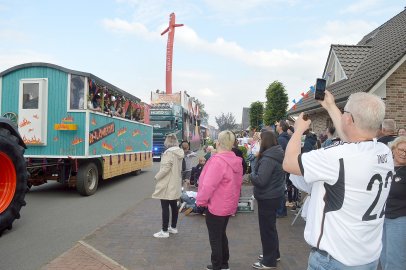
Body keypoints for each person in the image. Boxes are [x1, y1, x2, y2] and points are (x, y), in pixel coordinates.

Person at [283, 90, 394, 269]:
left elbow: (289, 163)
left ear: (349, 119)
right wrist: (330, 106)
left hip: (334, 260)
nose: (342, 116)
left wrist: (297, 132)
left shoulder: (336, 157)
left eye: (345, 113)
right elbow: (354, 140)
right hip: (366, 257)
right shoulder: (384, 152)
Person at [196, 130, 243, 270]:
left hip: (216, 205)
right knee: (221, 234)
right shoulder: (236, 160)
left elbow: (208, 185)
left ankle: (217, 265)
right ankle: (223, 263)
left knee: (215, 237)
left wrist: (200, 202)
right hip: (228, 204)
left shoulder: (217, 161)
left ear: (218, 143)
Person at [250, 131, 285, 269]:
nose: (258, 142)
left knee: (267, 230)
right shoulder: (275, 154)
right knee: (271, 228)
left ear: (264, 142)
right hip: (273, 195)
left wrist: (252, 173)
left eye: (260, 140)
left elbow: (261, 180)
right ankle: (273, 254)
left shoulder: (268, 158)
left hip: (268, 197)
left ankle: (269, 261)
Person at [380, 136, 406, 269]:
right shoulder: (385, 167)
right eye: (401, 150)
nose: (403, 153)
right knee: (383, 256)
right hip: (381, 219)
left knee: (395, 259)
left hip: (399, 220)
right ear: (393, 149)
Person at [152, 134, 184, 238]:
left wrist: (157, 177)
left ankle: (164, 231)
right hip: (175, 182)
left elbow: (165, 168)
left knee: (165, 207)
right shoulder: (179, 152)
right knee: (174, 206)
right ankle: (173, 227)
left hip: (167, 183)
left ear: (167, 142)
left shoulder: (168, 153)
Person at [275, 120, 291, 218]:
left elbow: (280, 154)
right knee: (282, 188)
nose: (276, 126)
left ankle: (280, 211)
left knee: (280, 189)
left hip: (281, 166)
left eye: (277, 125)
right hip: (284, 166)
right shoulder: (285, 138)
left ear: (281, 127)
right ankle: (282, 210)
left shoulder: (281, 139)